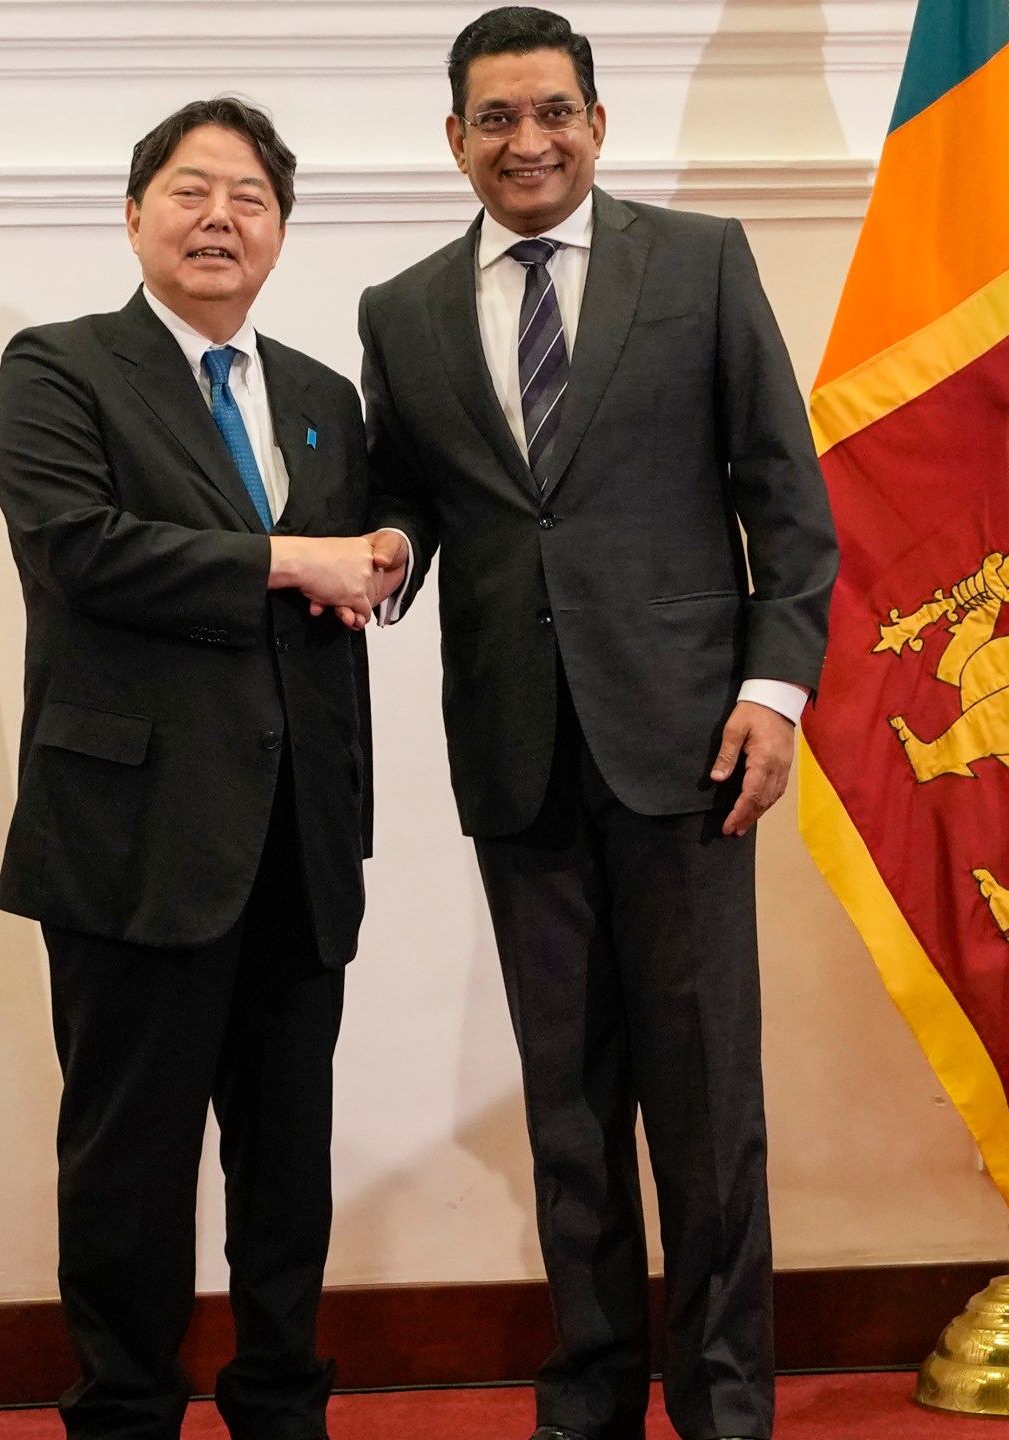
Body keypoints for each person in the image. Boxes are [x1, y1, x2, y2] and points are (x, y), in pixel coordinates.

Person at [358, 9, 839, 1439]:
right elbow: (413, 503)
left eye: (553, 111)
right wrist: (368, 553)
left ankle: (725, 1403)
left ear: (597, 123)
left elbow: (788, 506)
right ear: (455, 141)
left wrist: (773, 692)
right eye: (496, 118)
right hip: (517, 754)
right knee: (568, 1107)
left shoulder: (699, 265)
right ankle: (587, 1398)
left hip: (690, 747)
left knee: (704, 1106)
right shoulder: (402, 310)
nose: (529, 140)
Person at [0, 97, 393, 1440]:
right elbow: (81, 549)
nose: (220, 217)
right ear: (135, 213)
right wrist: (295, 559)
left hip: (300, 837)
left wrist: (381, 560)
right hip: (132, 834)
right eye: (189, 189)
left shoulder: (326, 399)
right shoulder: (59, 368)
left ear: (281, 230)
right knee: (130, 1163)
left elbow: (354, 576)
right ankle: (123, 1415)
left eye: (251, 198)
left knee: (290, 1165)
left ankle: (283, 1406)